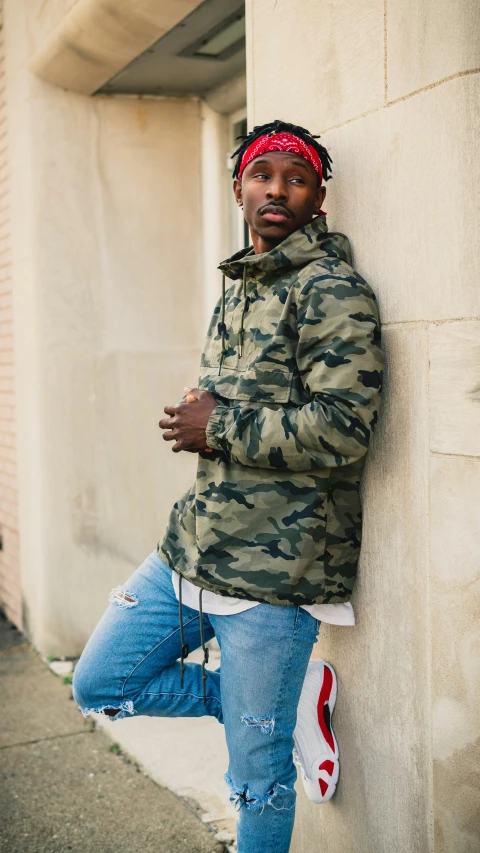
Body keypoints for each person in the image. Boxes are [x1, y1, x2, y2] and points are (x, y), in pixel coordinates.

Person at [73, 119, 383, 853]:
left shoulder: (333, 290)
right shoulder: (241, 283)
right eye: (263, 175)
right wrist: (206, 413)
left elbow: (344, 427)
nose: (277, 189)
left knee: (258, 776)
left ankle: (271, 721)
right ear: (239, 187)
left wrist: (219, 426)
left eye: (296, 178)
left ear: (319, 198)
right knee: (100, 682)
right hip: (191, 551)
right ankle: (281, 707)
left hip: (276, 578)